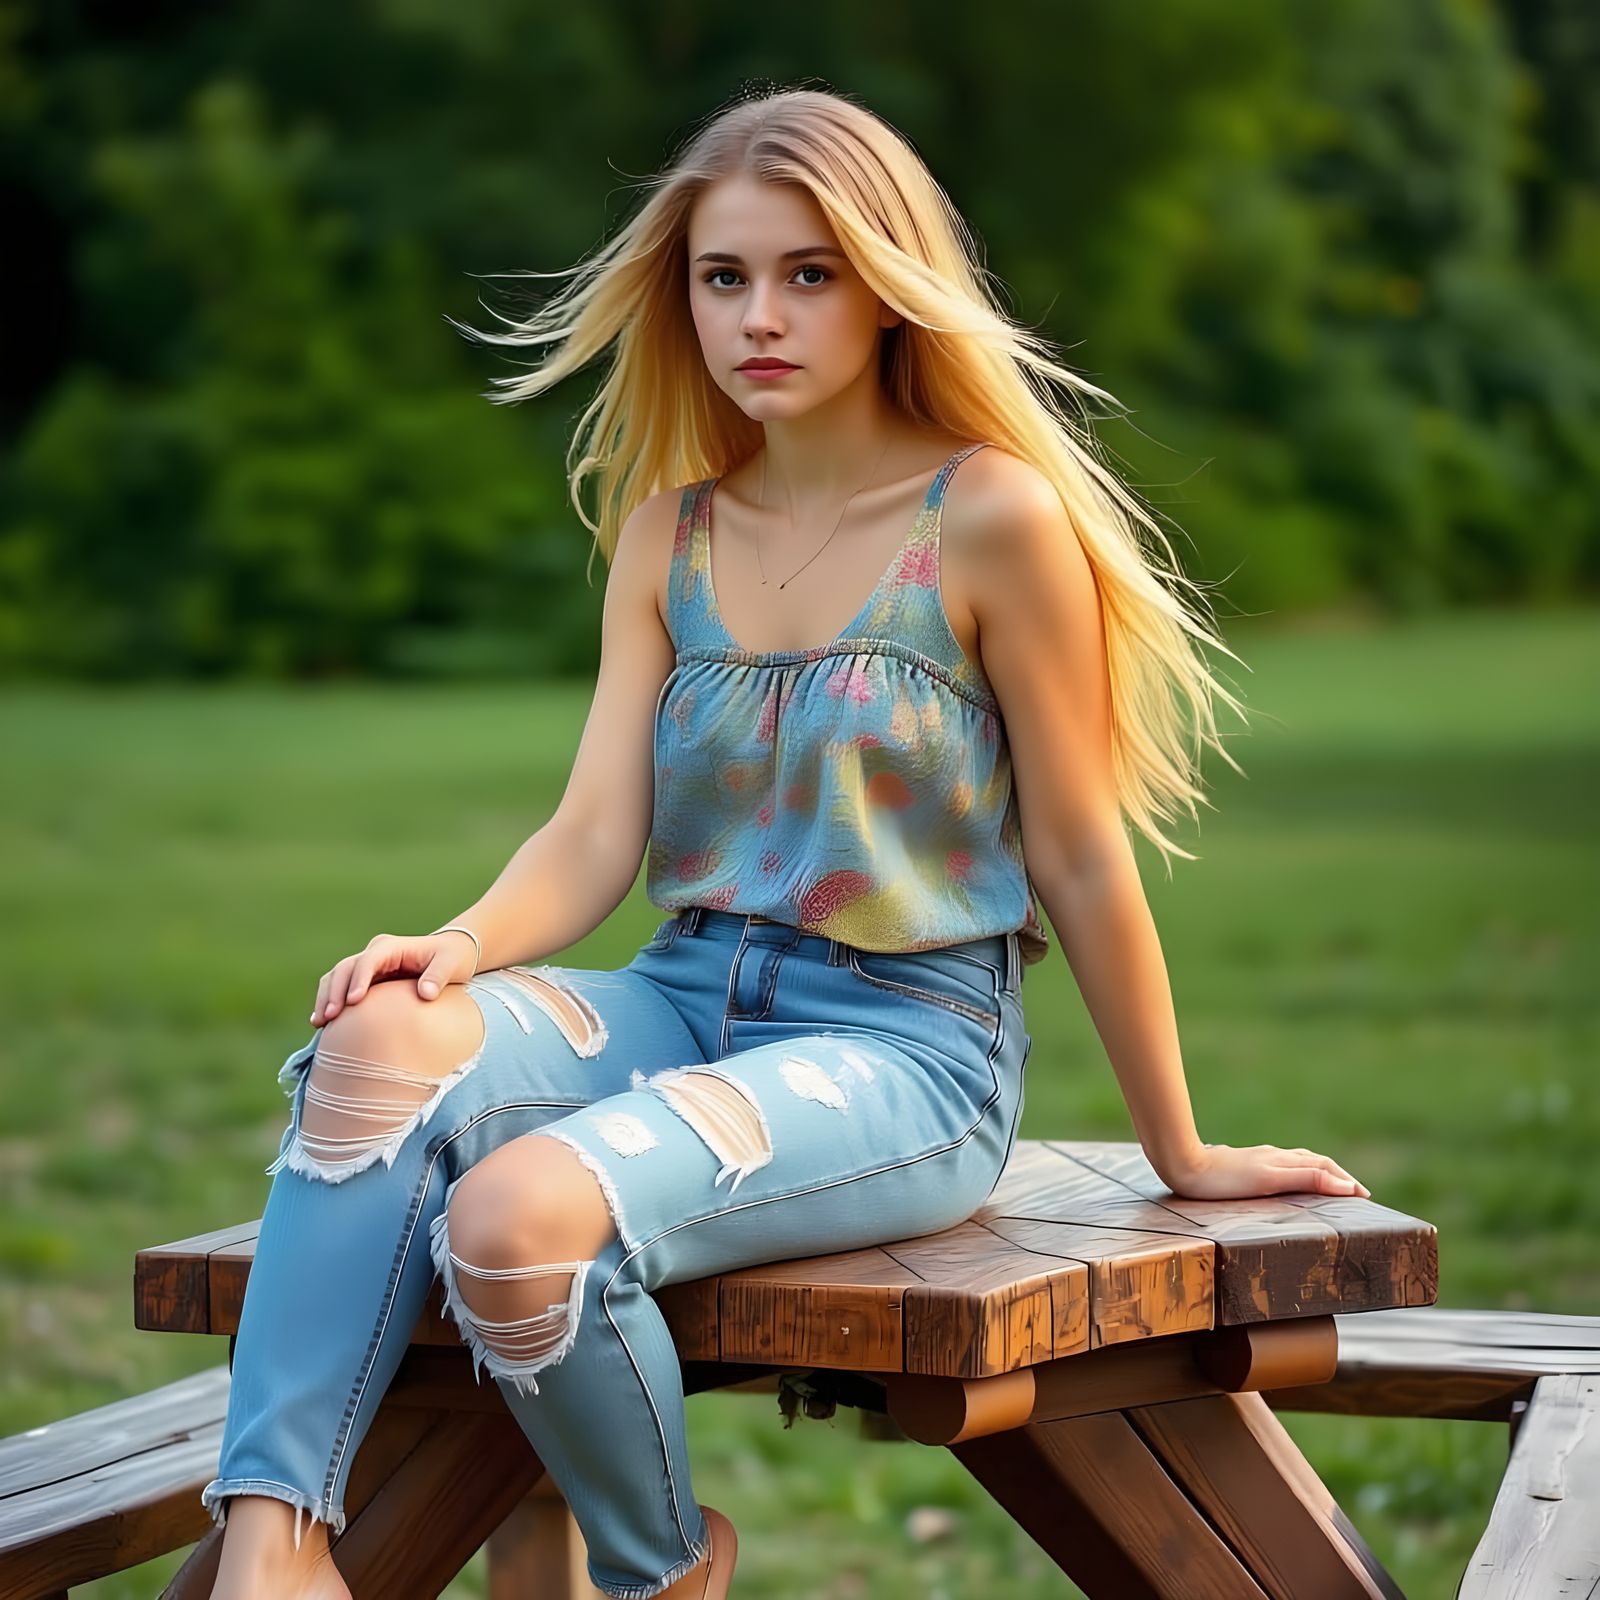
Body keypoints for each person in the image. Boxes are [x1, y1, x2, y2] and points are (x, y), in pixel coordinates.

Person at [199, 85, 1371, 1600]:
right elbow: (596, 826)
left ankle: (661, 1568)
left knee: (513, 1225)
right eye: (723, 276)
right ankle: (274, 1547)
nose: (762, 315)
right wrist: (463, 949)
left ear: (888, 288)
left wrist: (1181, 1149)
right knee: (374, 1045)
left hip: (908, 1049)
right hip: (683, 996)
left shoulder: (991, 517)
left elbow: (1082, 855)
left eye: (809, 274)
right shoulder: (669, 533)